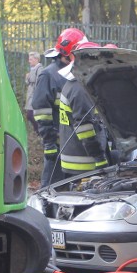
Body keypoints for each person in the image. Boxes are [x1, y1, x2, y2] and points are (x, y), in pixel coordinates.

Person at [32, 28, 88, 186]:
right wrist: (49, 143)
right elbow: (41, 111)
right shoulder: (49, 75)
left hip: (73, 145)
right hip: (57, 145)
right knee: (52, 189)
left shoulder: (74, 72)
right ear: (69, 52)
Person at [57, 41, 109, 176]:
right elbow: (84, 127)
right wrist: (100, 158)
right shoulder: (80, 89)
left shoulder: (74, 84)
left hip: (75, 157)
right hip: (85, 162)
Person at [23, 51, 42, 129]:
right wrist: (27, 77)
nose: (29, 61)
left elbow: (39, 83)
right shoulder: (33, 69)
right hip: (31, 95)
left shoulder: (39, 69)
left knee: (30, 115)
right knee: (30, 115)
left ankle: (40, 132)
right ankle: (39, 132)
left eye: (30, 59)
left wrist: (29, 78)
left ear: (36, 59)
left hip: (34, 96)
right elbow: (28, 82)